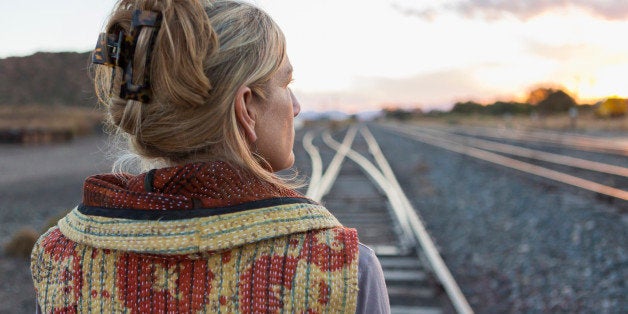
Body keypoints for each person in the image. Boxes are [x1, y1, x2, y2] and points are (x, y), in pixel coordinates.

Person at [30, 0, 389, 313]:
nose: (296, 107)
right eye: (286, 85)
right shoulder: (346, 269)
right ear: (246, 107)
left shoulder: (59, 258)